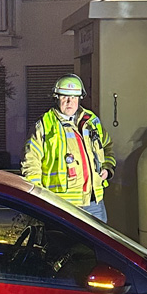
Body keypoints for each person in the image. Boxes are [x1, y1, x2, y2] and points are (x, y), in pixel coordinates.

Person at [21, 74, 115, 221]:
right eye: (65, 97)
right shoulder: (44, 125)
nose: (70, 102)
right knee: (63, 237)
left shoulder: (91, 121)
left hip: (93, 201)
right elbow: (31, 162)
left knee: (98, 237)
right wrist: (37, 196)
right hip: (61, 203)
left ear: (79, 98)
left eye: (74, 97)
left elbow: (108, 146)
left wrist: (107, 168)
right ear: (56, 98)